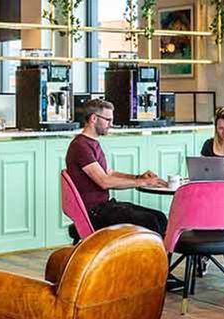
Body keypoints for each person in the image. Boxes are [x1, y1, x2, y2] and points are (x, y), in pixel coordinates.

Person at [66, 98, 170, 235]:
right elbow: (104, 182)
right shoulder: (80, 146)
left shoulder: (92, 143)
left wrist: (139, 177)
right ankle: (147, 249)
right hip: (94, 212)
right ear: (94, 118)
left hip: (105, 206)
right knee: (150, 221)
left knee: (160, 217)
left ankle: (157, 249)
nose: (111, 124)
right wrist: (144, 182)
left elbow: (109, 173)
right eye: (108, 120)